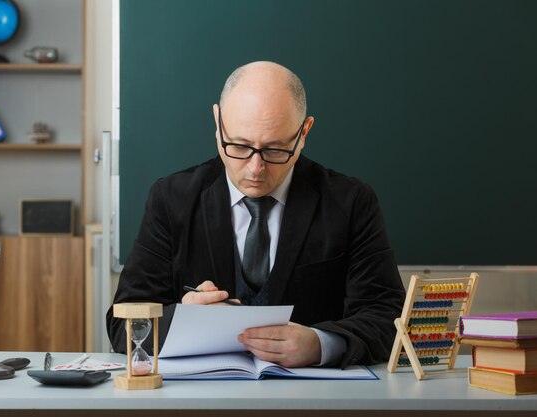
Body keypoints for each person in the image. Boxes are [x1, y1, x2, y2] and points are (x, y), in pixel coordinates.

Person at [106, 61, 405, 368]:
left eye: (275, 150)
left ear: (304, 133)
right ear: (218, 122)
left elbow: (387, 316)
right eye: (239, 146)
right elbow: (122, 324)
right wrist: (181, 320)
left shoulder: (351, 202)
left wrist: (321, 344)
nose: (255, 169)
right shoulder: (170, 199)